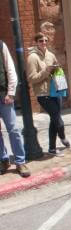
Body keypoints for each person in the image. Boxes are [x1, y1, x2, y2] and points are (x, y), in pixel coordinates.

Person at [27, 32, 70, 156]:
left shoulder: (50, 55)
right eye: (41, 41)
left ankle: (52, 149)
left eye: (45, 40)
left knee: (54, 120)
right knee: (58, 121)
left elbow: (57, 69)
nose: (44, 43)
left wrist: (56, 68)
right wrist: (46, 71)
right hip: (43, 94)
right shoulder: (32, 58)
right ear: (36, 42)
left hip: (55, 91)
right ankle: (62, 137)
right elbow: (32, 78)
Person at [0, 40, 30, 177]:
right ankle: (3, 159)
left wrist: (11, 93)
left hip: (3, 96)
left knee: (13, 129)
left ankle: (20, 161)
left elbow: (10, 69)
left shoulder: (1, 45)